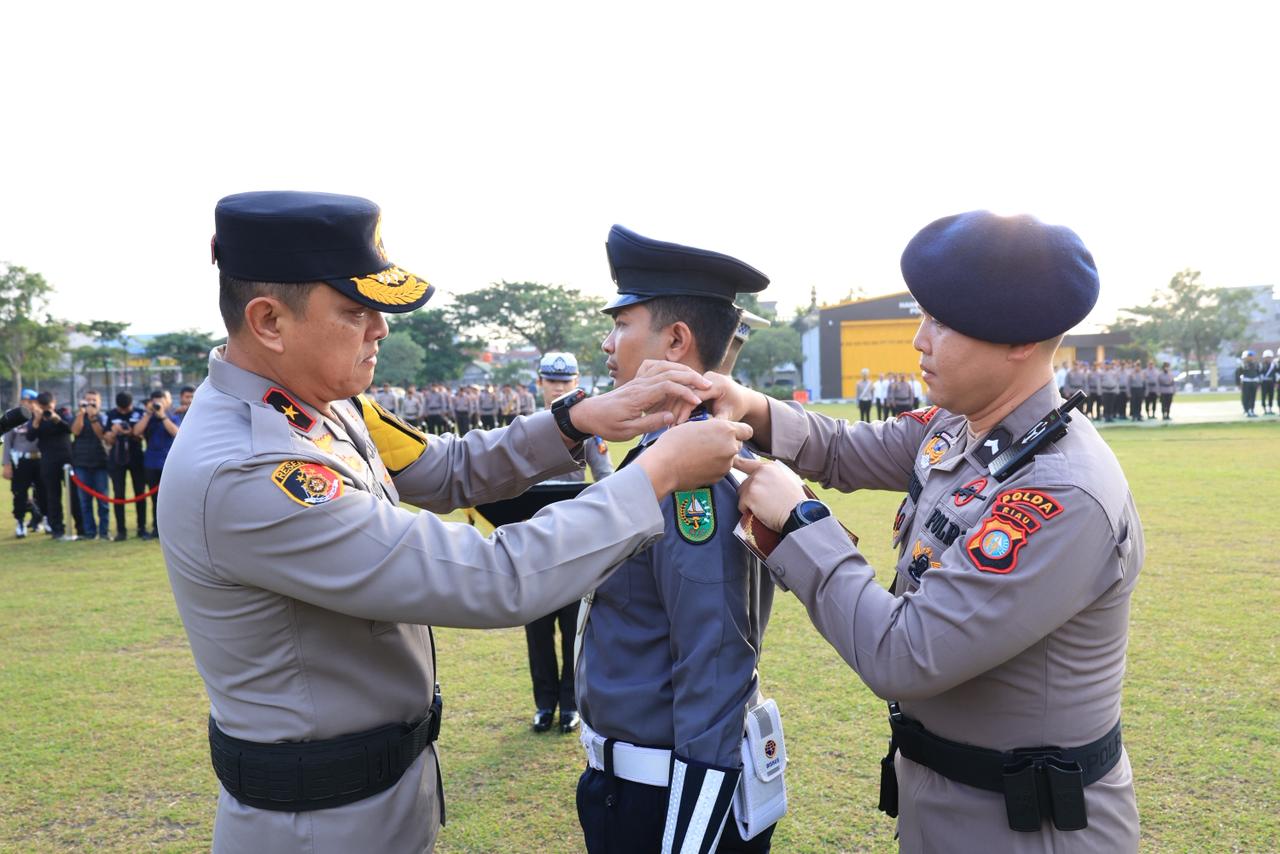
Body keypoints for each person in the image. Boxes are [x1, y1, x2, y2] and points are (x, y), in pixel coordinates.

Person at [165, 191, 752, 854]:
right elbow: (490, 578)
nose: (380, 330)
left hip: (376, 795)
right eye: (356, 311)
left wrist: (574, 421)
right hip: (315, 823)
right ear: (269, 321)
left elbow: (444, 470)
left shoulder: (321, 407)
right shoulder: (250, 467)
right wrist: (655, 476)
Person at [715, 211, 1142, 851]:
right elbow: (845, 449)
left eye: (941, 322)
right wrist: (749, 406)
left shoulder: (1061, 489)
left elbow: (905, 654)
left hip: (1027, 826)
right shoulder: (963, 426)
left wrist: (800, 520)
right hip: (944, 800)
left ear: (1019, 338)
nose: (919, 340)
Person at [576, 225, 779, 854]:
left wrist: (690, 838)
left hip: (664, 800)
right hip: (633, 784)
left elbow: (714, 662)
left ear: (676, 340)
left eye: (622, 323)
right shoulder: (663, 452)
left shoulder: (694, 471)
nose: (607, 343)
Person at [523, 351, 615, 735]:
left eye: (566, 381)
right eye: (552, 381)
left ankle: (570, 704)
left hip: (573, 541)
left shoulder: (591, 431)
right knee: (537, 629)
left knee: (572, 625)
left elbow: (607, 477)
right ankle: (544, 704)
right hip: (529, 542)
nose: (559, 388)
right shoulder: (523, 428)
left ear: (576, 383)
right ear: (540, 383)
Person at [134, 388, 181, 539]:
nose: (158, 404)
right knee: (154, 500)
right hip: (151, 463)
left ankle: (172, 529)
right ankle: (156, 528)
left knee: (170, 499)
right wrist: (148, 414)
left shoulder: (172, 417)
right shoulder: (148, 418)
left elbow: (176, 433)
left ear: (168, 402)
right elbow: (136, 432)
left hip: (168, 463)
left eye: (161, 401)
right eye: (155, 401)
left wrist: (162, 416)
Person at [29, 391, 76, 540]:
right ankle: (57, 529)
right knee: (53, 496)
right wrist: (37, 420)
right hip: (48, 461)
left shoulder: (63, 412)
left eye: (48, 406)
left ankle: (81, 527)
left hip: (67, 459)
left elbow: (70, 429)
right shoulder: (36, 417)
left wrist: (57, 419)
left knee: (74, 495)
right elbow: (30, 437)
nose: (46, 410)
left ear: (54, 403)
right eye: (43, 407)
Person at [2, 389, 48, 537]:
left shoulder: (42, 416)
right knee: (19, 493)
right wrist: (6, 464)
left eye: (31, 401)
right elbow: (8, 442)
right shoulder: (15, 417)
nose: (27, 404)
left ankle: (45, 520)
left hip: (40, 459)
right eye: (24, 401)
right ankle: (20, 523)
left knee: (43, 492)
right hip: (21, 460)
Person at [104, 391, 149, 540]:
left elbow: (143, 435)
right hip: (117, 459)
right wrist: (113, 433)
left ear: (131, 405)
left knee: (140, 493)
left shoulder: (139, 413)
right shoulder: (110, 415)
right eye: (121, 410)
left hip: (136, 457)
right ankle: (121, 531)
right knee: (118, 494)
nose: (123, 412)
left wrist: (131, 432)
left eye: (126, 409)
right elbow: (107, 439)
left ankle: (141, 528)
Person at [70, 388, 112, 541]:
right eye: (88, 400)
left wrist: (93, 417)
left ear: (100, 402)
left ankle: (104, 532)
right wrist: (82, 413)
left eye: (94, 400)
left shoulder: (104, 418)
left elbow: (102, 435)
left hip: (100, 463)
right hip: (81, 463)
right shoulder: (78, 416)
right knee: (85, 501)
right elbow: (75, 431)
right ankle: (89, 532)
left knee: (103, 501)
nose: (91, 403)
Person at [1236, 350, 1260, 417]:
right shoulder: (1241, 365)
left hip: (1254, 383)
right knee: (1245, 397)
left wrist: (1258, 384)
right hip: (1246, 383)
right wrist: (1238, 384)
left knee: (1253, 397)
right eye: (1249, 356)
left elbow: (1258, 374)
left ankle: (1251, 410)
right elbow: (1238, 375)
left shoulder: (1255, 364)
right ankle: (1246, 410)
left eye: (1252, 356)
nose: (1251, 357)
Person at [1259, 349, 1277, 415]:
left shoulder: (1273, 365)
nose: (1268, 359)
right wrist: (1259, 384)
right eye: (1267, 357)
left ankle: (1270, 409)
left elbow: (1275, 374)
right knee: (1263, 396)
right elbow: (1259, 374)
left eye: (1269, 357)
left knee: (1271, 396)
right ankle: (1264, 409)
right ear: (1264, 358)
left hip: (1271, 383)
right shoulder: (1261, 365)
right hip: (1264, 383)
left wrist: (1275, 383)